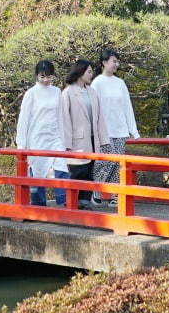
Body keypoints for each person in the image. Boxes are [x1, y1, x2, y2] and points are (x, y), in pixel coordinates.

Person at [60, 59, 110, 210]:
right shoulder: (68, 92)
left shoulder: (92, 91)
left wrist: (104, 139)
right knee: (77, 172)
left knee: (89, 171)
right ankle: (73, 202)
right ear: (80, 72)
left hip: (93, 139)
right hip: (77, 140)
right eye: (89, 71)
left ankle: (85, 202)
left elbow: (100, 117)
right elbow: (65, 120)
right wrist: (67, 144)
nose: (91, 74)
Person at [14, 59, 65, 207]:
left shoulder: (57, 92)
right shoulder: (31, 94)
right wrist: (21, 143)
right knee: (37, 171)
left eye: (49, 76)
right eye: (42, 76)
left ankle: (65, 201)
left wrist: (63, 140)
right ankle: (38, 205)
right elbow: (24, 120)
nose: (46, 79)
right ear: (37, 76)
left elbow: (60, 117)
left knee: (61, 166)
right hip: (36, 137)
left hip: (54, 136)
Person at [90, 50, 140, 195]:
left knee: (118, 164)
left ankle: (115, 195)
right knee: (104, 162)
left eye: (117, 62)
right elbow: (93, 108)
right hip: (104, 130)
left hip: (120, 129)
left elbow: (127, 107)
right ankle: (96, 190)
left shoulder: (120, 83)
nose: (116, 64)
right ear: (104, 63)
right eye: (114, 61)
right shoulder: (97, 83)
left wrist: (133, 131)